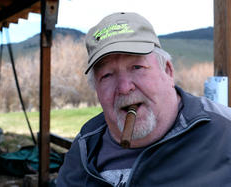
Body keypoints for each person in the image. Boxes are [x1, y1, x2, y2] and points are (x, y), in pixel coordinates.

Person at [56, 12, 231, 187]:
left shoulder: (224, 131)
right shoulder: (84, 146)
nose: (124, 88)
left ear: (168, 71)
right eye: (107, 75)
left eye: (137, 67)